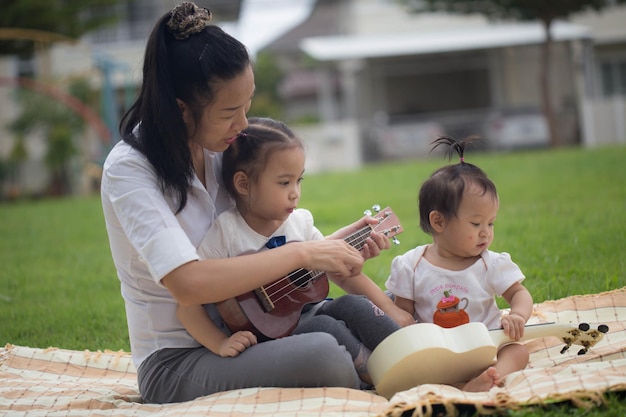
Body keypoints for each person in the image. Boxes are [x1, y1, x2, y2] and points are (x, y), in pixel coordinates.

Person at [101, 2, 393, 404]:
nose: (242, 126)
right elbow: (188, 282)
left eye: (247, 105)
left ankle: (419, 363)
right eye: (228, 113)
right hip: (180, 357)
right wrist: (304, 253)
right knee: (325, 354)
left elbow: (273, 246)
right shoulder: (130, 170)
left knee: (365, 313)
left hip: (264, 326)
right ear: (180, 108)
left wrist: (339, 248)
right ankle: (388, 376)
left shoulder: (224, 148)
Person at [177, 117, 415, 386]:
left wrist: (389, 308)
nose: (295, 193)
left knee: (353, 304)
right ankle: (384, 378)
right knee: (327, 328)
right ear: (243, 184)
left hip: (311, 312)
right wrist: (220, 343)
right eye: (284, 183)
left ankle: (413, 353)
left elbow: (336, 269)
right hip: (274, 338)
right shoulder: (226, 233)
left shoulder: (299, 222)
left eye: (298, 181)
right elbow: (187, 306)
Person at [385, 135, 534, 392]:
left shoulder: (491, 264)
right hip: (437, 354)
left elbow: (519, 293)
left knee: (517, 352)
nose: (486, 232)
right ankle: (441, 381)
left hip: (486, 348)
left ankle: (490, 376)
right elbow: (405, 317)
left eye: (491, 223)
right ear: (438, 222)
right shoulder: (411, 265)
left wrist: (518, 315)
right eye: (476, 224)